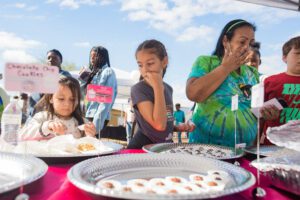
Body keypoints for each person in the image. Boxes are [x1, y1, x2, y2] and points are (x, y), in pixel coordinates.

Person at [186, 19, 260, 147]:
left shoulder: (252, 73)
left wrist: (268, 113)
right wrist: (226, 67)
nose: (247, 47)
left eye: (251, 43)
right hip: (206, 149)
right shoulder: (206, 62)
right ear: (226, 41)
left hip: (244, 150)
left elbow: (255, 110)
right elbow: (193, 94)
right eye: (242, 41)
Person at [127, 39, 194, 149]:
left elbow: (165, 120)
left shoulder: (168, 89)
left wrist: (177, 127)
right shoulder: (138, 89)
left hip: (164, 145)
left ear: (164, 61)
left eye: (150, 63)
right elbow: (159, 125)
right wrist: (158, 87)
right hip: (143, 147)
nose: (145, 70)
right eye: (140, 65)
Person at [19, 76, 96, 141]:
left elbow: (92, 147)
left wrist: (91, 136)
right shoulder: (42, 117)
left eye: (72, 99)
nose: (67, 104)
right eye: (61, 99)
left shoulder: (83, 122)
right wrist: (47, 127)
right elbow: (22, 135)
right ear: (51, 98)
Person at [260, 36, 300, 144]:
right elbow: (258, 116)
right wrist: (255, 144)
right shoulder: (270, 82)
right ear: (284, 57)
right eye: (298, 53)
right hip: (273, 145)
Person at [79, 46, 117, 133]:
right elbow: (82, 94)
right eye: (91, 56)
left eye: (95, 55)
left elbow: (106, 101)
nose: (92, 58)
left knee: (93, 144)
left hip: (98, 117)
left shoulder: (108, 72)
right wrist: (83, 78)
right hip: (88, 114)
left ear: (103, 57)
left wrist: (97, 124)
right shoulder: (93, 73)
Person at [28, 49, 71, 117]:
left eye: (54, 58)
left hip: (52, 114)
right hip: (35, 114)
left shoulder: (65, 75)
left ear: (61, 61)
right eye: (48, 58)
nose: (50, 60)